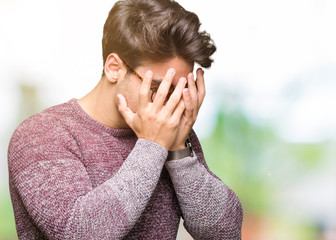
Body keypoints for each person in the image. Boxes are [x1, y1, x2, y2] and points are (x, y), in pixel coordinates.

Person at [8, 0, 243, 239]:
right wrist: (153, 146)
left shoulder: (172, 132)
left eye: (183, 90)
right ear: (114, 68)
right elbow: (81, 232)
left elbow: (226, 233)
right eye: (158, 88)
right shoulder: (40, 135)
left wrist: (178, 151)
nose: (172, 105)